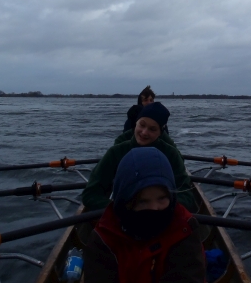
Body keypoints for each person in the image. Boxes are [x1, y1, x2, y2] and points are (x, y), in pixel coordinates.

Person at [84, 147, 206, 283]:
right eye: (143, 201)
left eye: (161, 198)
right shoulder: (103, 240)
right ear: (126, 202)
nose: (154, 209)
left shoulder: (185, 229)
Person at [83, 102, 198, 212]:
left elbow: (186, 195)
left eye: (152, 129)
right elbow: (90, 194)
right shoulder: (116, 152)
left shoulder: (171, 154)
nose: (144, 132)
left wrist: (166, 211)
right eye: (142, 125)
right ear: (136, 123)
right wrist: (117, 210)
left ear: (160, 132)